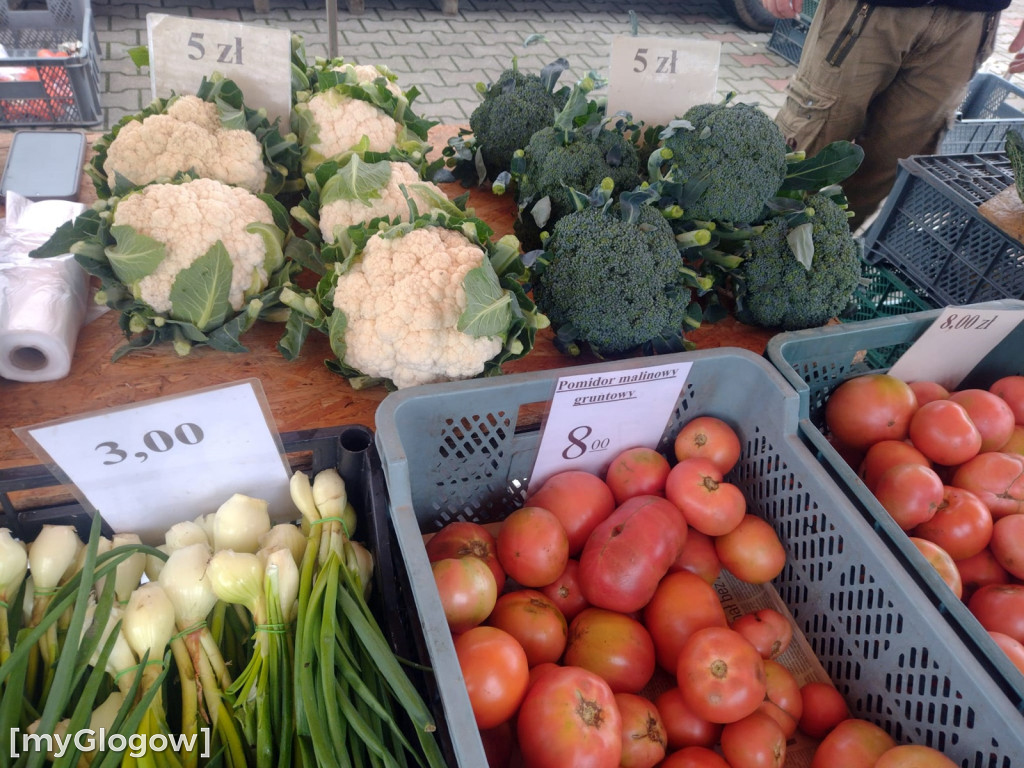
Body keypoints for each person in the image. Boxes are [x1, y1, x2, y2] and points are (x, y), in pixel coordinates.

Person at [762, 0, 1024, 229]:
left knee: (885, 170)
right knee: (806, 147)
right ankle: (743, 254)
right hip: (870, 10)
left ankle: (812, 264)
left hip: (970, 20)